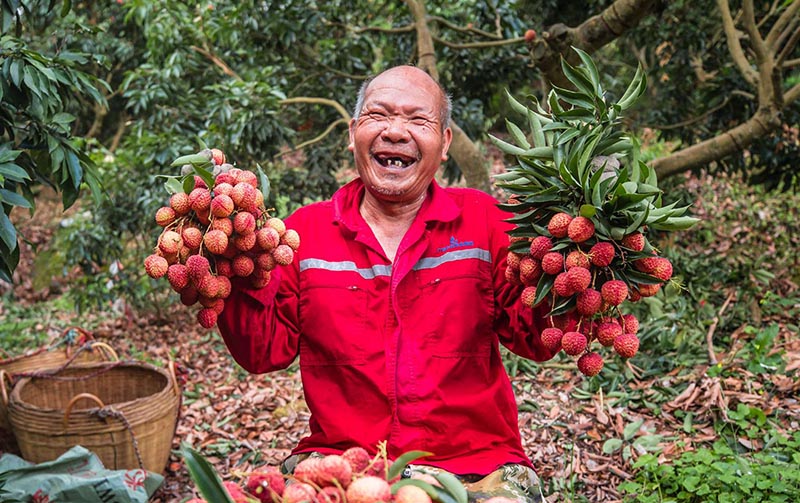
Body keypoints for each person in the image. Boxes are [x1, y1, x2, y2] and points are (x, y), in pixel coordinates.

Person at [217, 65, 558, 502]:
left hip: (477, 465)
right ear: (353, 131)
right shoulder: (302, 235)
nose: (396, 132)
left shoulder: (487, 222)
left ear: (446, 142)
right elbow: (262, 352)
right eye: (379, 115)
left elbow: (537, 339)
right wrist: (230, 265)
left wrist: (563, 261)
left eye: (418, 121)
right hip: (347, 463)